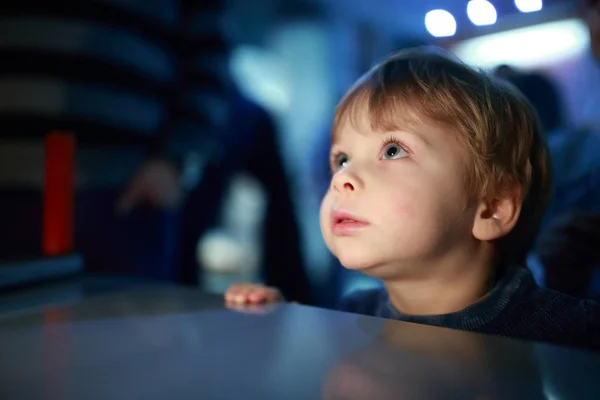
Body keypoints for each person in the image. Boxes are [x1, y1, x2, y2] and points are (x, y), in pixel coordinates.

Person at [224, 47, 600, 351]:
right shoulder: (347, 317)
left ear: (492, 207)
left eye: (392, 151)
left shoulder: (569, 335)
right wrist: (280, 320)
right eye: (341, 159)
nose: (342, 179)